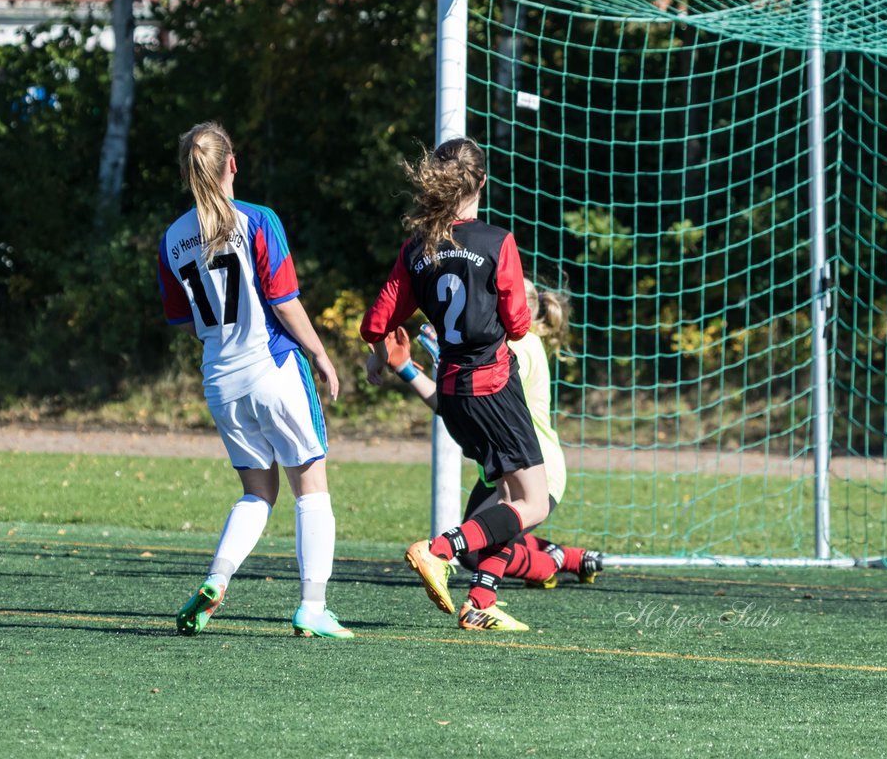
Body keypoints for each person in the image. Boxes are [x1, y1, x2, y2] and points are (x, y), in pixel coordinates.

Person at [158, 121, 352, 639]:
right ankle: (312, 605)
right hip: (273, 368)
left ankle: (216, 579)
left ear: (185, 173)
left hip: (220, 381)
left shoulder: (171, 239)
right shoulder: (258, 219)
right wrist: (322, 355)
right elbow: (284, 302)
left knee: (257, 493)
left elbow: (182, 318)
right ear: (233, 165)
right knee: (311, 489)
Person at [361, 136, 548, 632]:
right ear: (483, 182)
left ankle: (480, 601)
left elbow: (376, 321)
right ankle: (438, 549)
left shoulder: (416, 250)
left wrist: (378, 361)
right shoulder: (498, 240)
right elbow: (519, 323)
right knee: (534, 501)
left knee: (510, 499)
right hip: (492, 385)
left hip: (453, 391)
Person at [379, 282, 603, 589]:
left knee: (476, 548)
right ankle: (559, 559)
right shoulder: (501, 345)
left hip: (537, 467)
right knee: (480, 545)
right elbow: (452, 407)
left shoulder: (519, 347)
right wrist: (407, 368)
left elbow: (476, 402)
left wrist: (449, 363)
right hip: (503, 463)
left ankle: (544, 566)